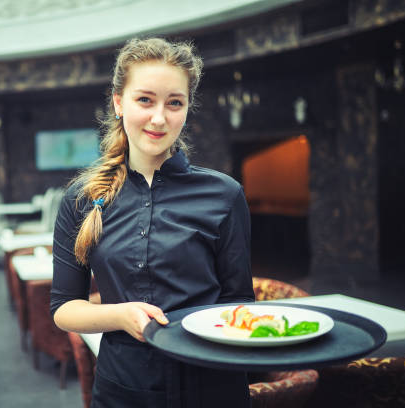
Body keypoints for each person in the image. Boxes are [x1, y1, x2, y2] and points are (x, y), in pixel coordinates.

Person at [51, 37, 254, 408]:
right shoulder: (80, 199)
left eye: (174, 103)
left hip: (212, 388)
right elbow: (64, 309)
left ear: (187, 108)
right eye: (145, 100)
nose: (159, 118)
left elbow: (239, 301)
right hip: (123, 389)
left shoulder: (224, 195)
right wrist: (121, 315)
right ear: (118, 103)